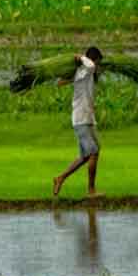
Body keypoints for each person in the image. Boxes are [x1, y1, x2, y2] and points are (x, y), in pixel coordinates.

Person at [53, 46, 103, 197]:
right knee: (93, 152)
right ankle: (91, 190)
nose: (98, 66)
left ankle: (60, 178)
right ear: (93, 59)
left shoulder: (85, 73)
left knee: (86, 156)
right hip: (81, 119)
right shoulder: (85, 70)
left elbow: (91, 68)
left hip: (86, 119)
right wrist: (80, 57)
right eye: (98, 62)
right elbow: (90, 65)